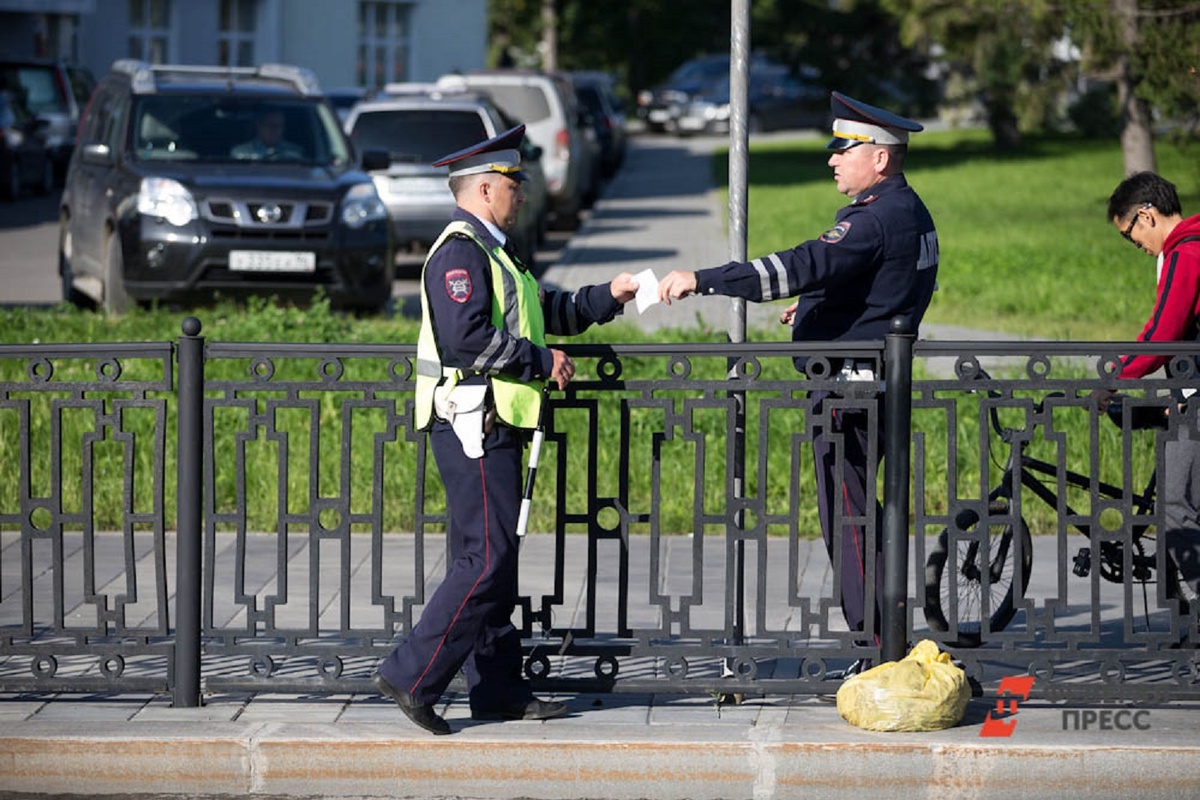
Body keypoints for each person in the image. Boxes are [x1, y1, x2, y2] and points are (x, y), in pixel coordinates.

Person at [657, 92, 939, 673]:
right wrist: (813, 310)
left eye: (844, 148)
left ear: (879, 158)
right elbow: (878, 291)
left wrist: (703, 278)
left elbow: (802, 265)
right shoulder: (910, 211)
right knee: (867, 516)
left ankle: (875, 650)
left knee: (851, 520)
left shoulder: (874, 218)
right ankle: (885, 637)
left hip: (848, 395)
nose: (833, 160)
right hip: (878, 384)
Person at [373, 124, 638, 735]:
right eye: (515, 185)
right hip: (472, 421)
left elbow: (546, 313)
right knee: (486, 559)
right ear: (487, 189)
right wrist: (541, 362)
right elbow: (465, 338)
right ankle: (412, 674)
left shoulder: (496, 253)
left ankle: (497, 690)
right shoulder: (460, 251)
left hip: (496, 420)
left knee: (497, 559)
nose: (524, 194)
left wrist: (611, 296)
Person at [1097, 171, 1200, 604]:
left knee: (1176, 507)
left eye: (1130, 234)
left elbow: (1165, 332)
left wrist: (1115, 375)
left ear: (1147, 215)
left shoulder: (1186, 252)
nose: (1136, 245)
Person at [231, 108, 304, 160]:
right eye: (270, 125)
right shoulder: (241, 153)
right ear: (259, 126)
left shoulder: (295, 153)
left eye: (278, 126)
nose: (274, 130)